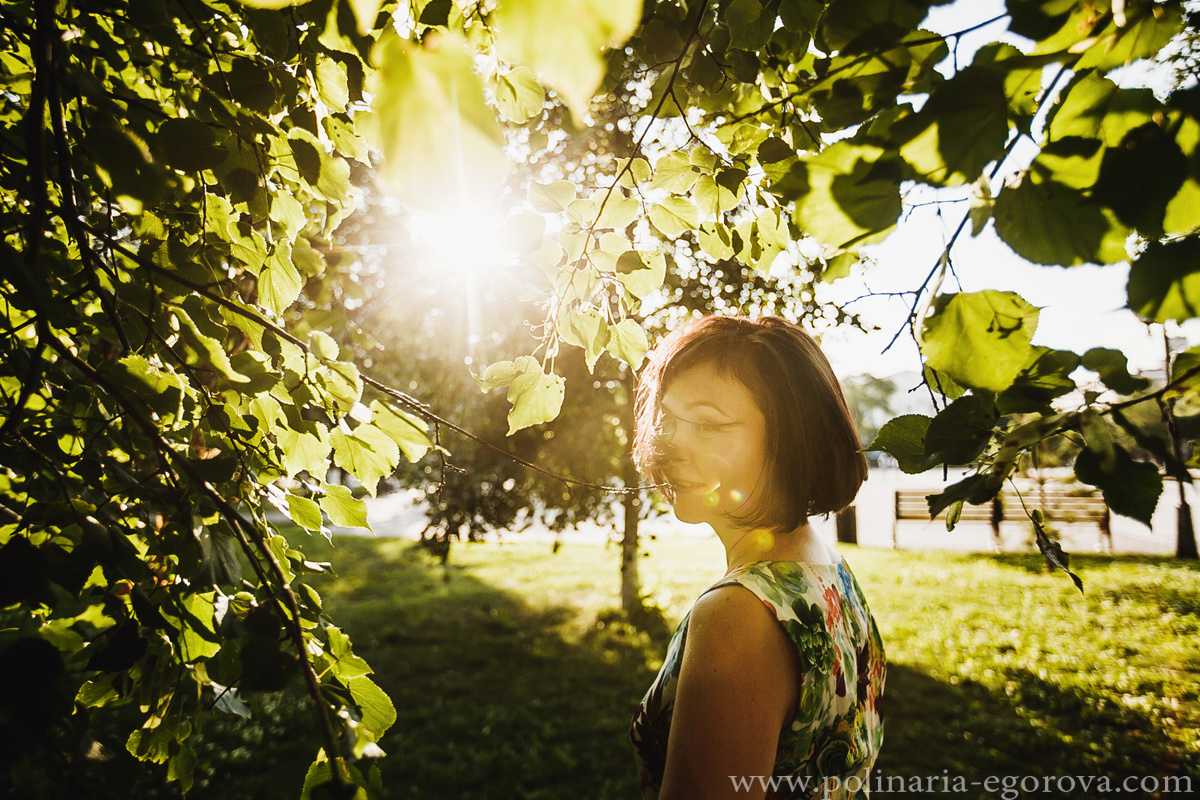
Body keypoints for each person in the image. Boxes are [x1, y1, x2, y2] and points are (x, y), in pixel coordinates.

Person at [628, 315, 886, 800]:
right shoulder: (826, 568)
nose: (668, 443)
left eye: (707, 424)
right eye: (668, 419)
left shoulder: (737, 616)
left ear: (789, 442)